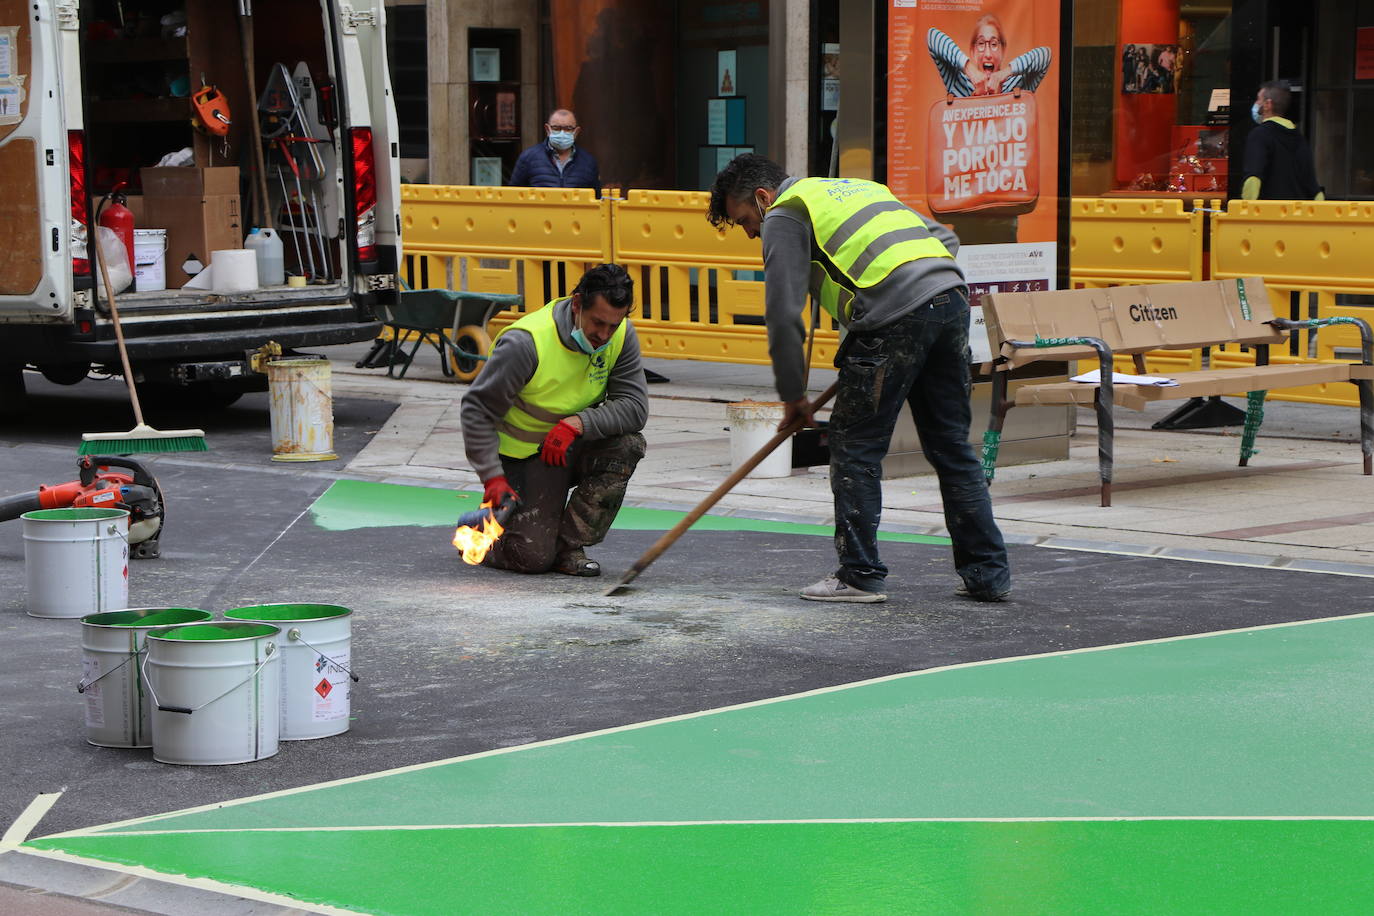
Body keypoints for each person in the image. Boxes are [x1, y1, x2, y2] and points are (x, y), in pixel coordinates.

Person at [706, 154, 1011, 604]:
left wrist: (793, 398)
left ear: (763, 197)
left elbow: (784, 315)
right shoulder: (857, 189)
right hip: (949, 301)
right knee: (950, 445)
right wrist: (916, 291)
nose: (751, 232)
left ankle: (860, 574)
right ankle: (987, 575)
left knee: (854, 448)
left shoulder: (786, 212)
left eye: (745, 220)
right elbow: (946, 237)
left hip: (894, 320)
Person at [460, 263, 647, 577]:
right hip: (524, 456)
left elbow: (634, 407)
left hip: (570, 444)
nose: (604, 335)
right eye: (597, 323)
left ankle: (567, 547)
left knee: (627, 445)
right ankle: (476, 534)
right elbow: (476, 410)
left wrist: (577, 424)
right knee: (531, 558)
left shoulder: (620, 335)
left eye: (613, 326)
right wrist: (493, 477)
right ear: (577, 304)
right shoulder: (526, 343)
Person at [927, 14, 1051, 98]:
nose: (988, 54)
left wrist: (1004, 74)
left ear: (1003, 51)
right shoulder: (958, 82)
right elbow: (932, 37)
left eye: (994, 44)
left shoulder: (1018, 86)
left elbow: (1045, 55)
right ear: (973, 51)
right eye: (981, 44)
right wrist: (970, 69)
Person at [1242, 81, 1323, 201]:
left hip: (1269, 214)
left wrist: (1245, 211)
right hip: (1298, 215)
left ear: (1267, 104)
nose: (1256, 103)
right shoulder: (1299, 138)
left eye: (1258, 99)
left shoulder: (1260, 135)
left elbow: (1253, 178)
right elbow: (1314, 189)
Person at [508, 108, 601, 193]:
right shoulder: (528, 158)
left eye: (568, 129)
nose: (562, 133)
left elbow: (596, 199)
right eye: (556, 128)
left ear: (576, 132)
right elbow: (513, 195)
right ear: (548, 129)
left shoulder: (588, 162)